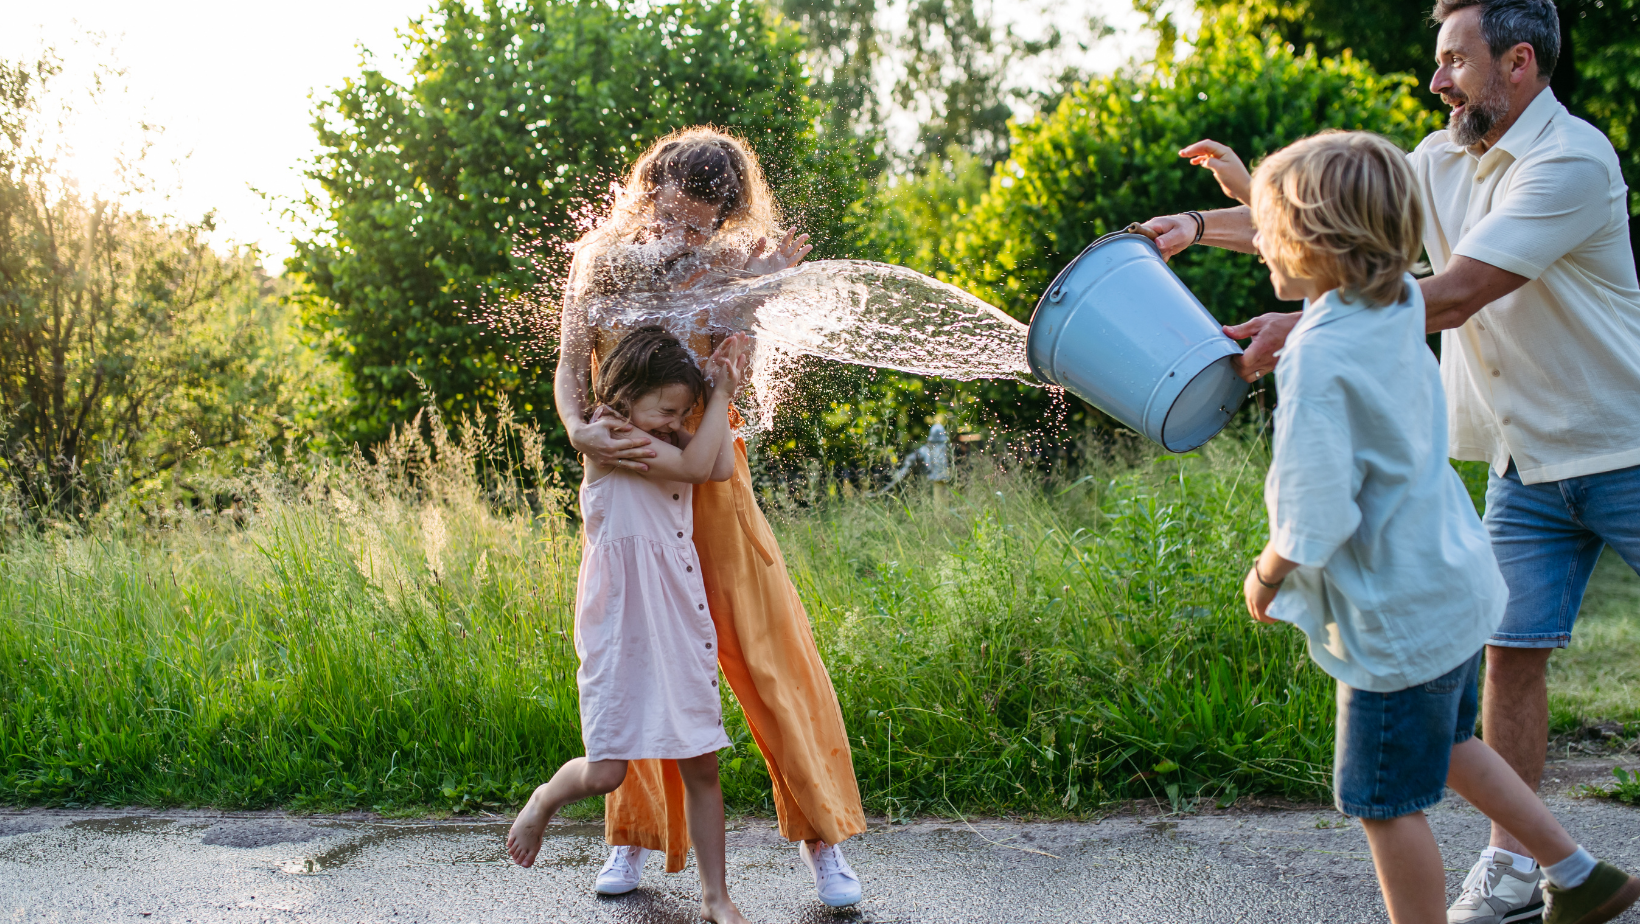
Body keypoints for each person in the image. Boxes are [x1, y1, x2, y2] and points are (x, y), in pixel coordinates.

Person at [1142, 3, 1640, 920]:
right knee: (1497, 679)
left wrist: (1270, 568)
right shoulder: (1433, 168)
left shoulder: (1570, 160)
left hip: (1616, 445)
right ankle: (1553, 872)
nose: (1437, 79)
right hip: (1511, 475)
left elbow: (1450, 291)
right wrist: (1197, 223)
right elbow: (1344, 231)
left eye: (1455, 59)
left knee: (1381, 798)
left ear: (1518, 62)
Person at [1239, 129, 1638, 924]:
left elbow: (1315, 516)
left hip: (1395, 622)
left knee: (1382, 800)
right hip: (1455, 592)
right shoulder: (1389, 307)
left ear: (1312, 241)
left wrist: (1269, 570)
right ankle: (1579, 872)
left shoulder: (1317, 355)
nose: (1256, 241)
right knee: (1456, 746)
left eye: (1265, 226)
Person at [553, 127, 867, 907]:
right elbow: (569, 365)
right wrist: (575, 426)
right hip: (626, 477)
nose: (687, 231)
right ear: (650, 186)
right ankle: (632, 837)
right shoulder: (598, 261)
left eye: (704, 221)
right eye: (678, 212)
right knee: (635, 653)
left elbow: (738, 379)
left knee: (768, 653)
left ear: (726, 214)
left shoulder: (735, 266)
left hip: (711, 479)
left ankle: (821, 840)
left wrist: (749, 309)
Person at [507, 326, 755, 923]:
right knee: (607, 771)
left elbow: (718, 464)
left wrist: (718, 392)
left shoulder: (663, 435)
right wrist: (715, 398)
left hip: (675, 617)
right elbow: (699, 466)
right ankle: (544, 800)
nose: (673, 422)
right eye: (665, 410)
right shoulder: (609, 437)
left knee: (701, 762)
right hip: (620, 626)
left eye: (680, 412)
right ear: (624, 397)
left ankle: (716, 896)